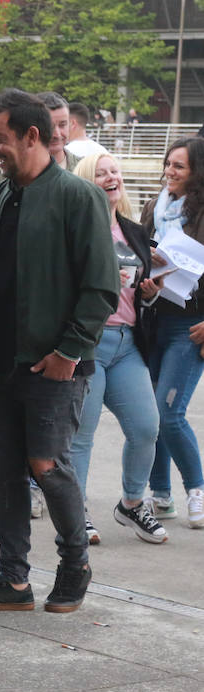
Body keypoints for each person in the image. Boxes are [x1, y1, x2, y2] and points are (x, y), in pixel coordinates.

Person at [0, 88, 117, 615]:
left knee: (46, 464)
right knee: (5, 472)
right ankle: (13, 580)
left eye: (0, 138)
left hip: (54, 365)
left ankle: (75, 564)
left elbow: (100, 287)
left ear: (32, 136)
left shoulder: (78, 196)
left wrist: (70, 350)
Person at [66, 152, 166, 544]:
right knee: (82, 436)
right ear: (87, 182)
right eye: (101, 173)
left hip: (127, 343)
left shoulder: (135, 232)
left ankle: (131, 503)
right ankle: (76, 512)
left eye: (115, 172)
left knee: (146, 428)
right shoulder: (74, 229)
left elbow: (143, 290)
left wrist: (150, 293)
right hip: (87, 343)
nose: (111, 177)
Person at [138, 137, 204, 528]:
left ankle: (196, 488)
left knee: (169, 412)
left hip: (190, 327)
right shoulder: (153, 209)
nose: (169, 172)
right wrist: (148, 283)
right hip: (153, 322)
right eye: (167, 164)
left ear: (196, 171)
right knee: (151, 413)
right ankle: (159, 494)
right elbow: (139, 260)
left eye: (178, 166)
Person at [36, 91, 78, 170]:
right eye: (49, 126)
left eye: (62, 125)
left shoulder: (87, 170)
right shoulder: (14, 173)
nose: (57, 134)